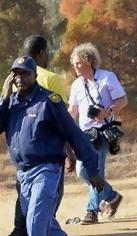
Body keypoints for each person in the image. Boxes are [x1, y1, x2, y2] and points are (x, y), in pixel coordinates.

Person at [0, 56, 104, 236]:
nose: (19, 78)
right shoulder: (11, 103)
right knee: (49, 228)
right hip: (23, 175)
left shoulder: (48, 101)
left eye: (25, 73)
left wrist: (92, 169)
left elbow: (73, 134)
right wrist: (5, 99)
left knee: (35, 226)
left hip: (45, 171)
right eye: (15, 74)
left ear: (34, 75)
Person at [8, 35, 75, 236]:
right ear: (43, 52)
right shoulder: (52, 79)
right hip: (48, 158)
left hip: (23, 158)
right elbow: (63, 122)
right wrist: (69, 153)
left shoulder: (11, 81)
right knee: (43, 210)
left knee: (30, 210)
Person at [68, 42, 128, 224]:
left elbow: (123, 100)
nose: (75, 66)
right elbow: (72, 110)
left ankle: (91, 211)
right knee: (81, 172)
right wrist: (63, 126)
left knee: (96, 171)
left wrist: (107, 111)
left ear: (89, 61)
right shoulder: (76, 84)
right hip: (84, 134)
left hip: (102, 133)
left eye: (78, 62)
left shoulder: (107, 78)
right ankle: (112, 196)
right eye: (74, 63)